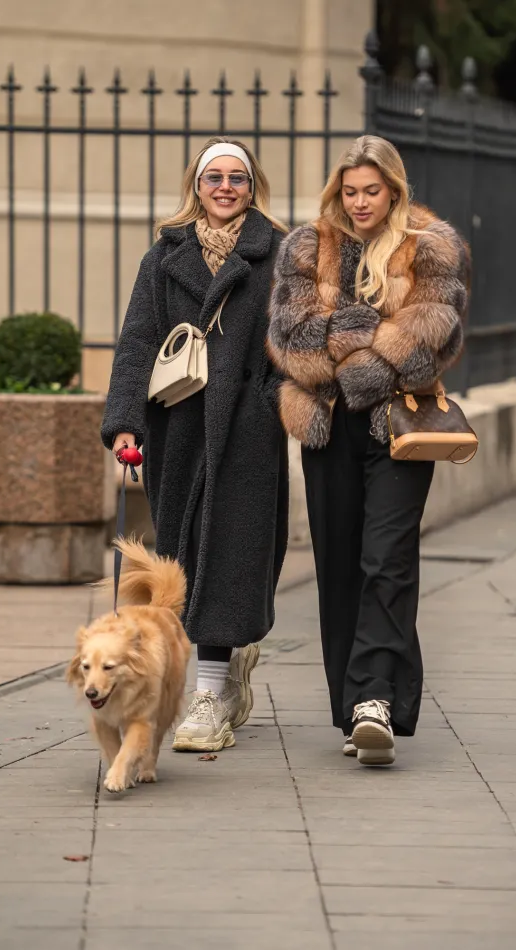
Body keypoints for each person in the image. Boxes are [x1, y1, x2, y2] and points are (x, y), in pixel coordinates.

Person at [267, 135, 470, 766]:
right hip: (329, 424)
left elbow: (437, 337)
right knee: (339, 566)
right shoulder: (306, 247)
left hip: (399, 425)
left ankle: (375, 702)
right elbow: (291, 337)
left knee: (388, 557)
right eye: (350, 191)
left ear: (394, 189)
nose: (360, 203)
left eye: (371, 191)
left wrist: (358, 357)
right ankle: (352, 703)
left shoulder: (432, 246)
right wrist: (374, 340)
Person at [101, 137, 289, 752]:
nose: (226, 188)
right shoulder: (163, 258)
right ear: (197, 184)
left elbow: (296, 342)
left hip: (246, 432)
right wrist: (125, 419)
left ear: (252, 185)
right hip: (176, 428)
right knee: (181, 557)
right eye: (215, 177)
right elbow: (136, 340)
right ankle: (222, 676)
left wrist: (270, 404)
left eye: (238, 177)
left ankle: (208, 695)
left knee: (232, 554)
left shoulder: (279, 254)